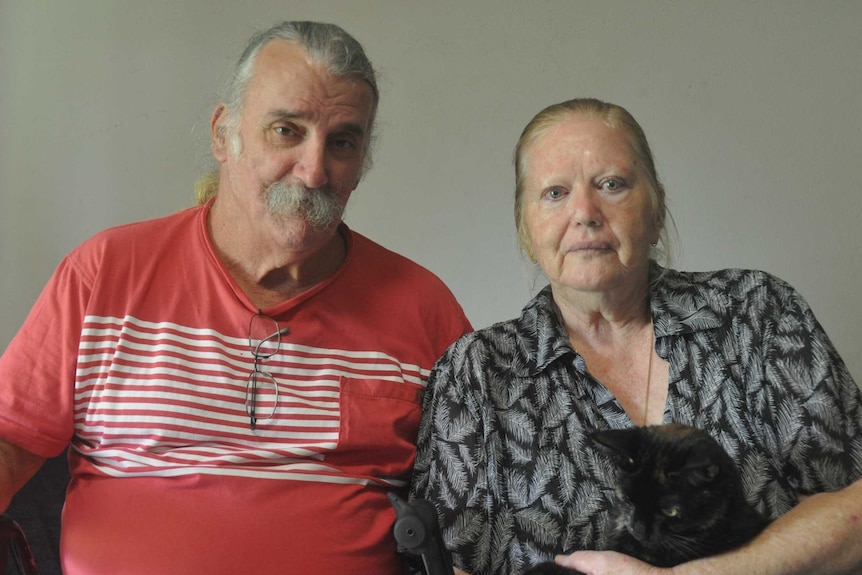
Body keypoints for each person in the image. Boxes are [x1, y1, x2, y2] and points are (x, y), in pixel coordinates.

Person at [0, 21, 472, 575]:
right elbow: (11, 441)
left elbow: (481, 496)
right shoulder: (104, 274)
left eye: (342, 141)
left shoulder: (424, 308)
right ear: (223, 134)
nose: (314, 170)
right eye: (286, 131)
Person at [410, 98, 862, 575]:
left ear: (656, 207)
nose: (585, 212)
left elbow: (853, 506)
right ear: (526, 227)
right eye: (555, 193)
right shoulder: (476, 373)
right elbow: (441, 565)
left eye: (612, 184)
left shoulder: (756, 313)